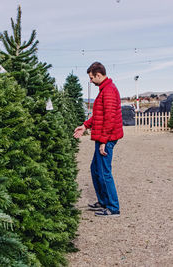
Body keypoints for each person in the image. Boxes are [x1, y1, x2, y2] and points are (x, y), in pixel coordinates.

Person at [73, 62, 123, 217]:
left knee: (104, 172)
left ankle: (113, 207)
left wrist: (104, 141)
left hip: (106, 138)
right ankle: (103, 201)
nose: (90, 81)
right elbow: (99, 116)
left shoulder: (108, 91)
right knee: (95, 169)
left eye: (91, 77)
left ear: (99, 75)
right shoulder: (104, 90)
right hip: (103, 137)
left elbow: (109, 118)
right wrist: (85, 126)